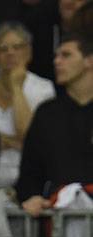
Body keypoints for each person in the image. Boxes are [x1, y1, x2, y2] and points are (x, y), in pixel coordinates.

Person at [16, 33, 93, 218]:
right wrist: (31, 196)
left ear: (89, 61)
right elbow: (30, 169)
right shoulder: (47, 113)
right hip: (58, 217)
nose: (57, 61)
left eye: (66, 55)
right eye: (56, 56)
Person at [0, 22, 55, 189]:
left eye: (18, 47)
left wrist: (17, 87)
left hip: (30, 182)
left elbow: (29, 137)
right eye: (3, 49)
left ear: (29, 52)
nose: (10, 53)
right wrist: (15, 143)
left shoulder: (44, 88)